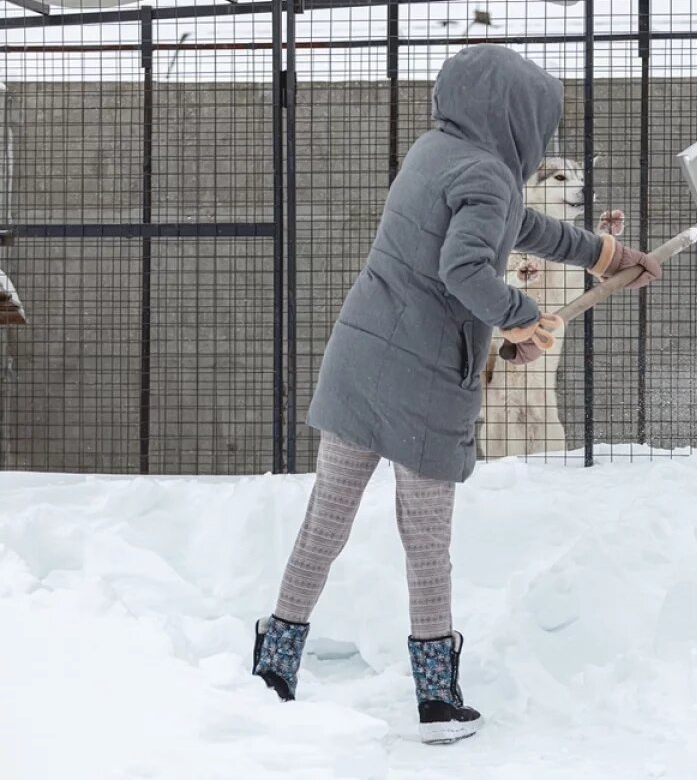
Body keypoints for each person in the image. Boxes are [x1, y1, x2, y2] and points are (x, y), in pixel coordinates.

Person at [250, 44, 662, 745]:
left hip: (362, 360)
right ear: (515, 116)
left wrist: (605, 254)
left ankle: (273, 666)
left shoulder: (436, 153)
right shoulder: (489, 175)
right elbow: (466, 268)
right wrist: (521, 316)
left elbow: (515, 228)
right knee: (426, 541)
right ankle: (437, 697)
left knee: (326, 522)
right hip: (424, 381)